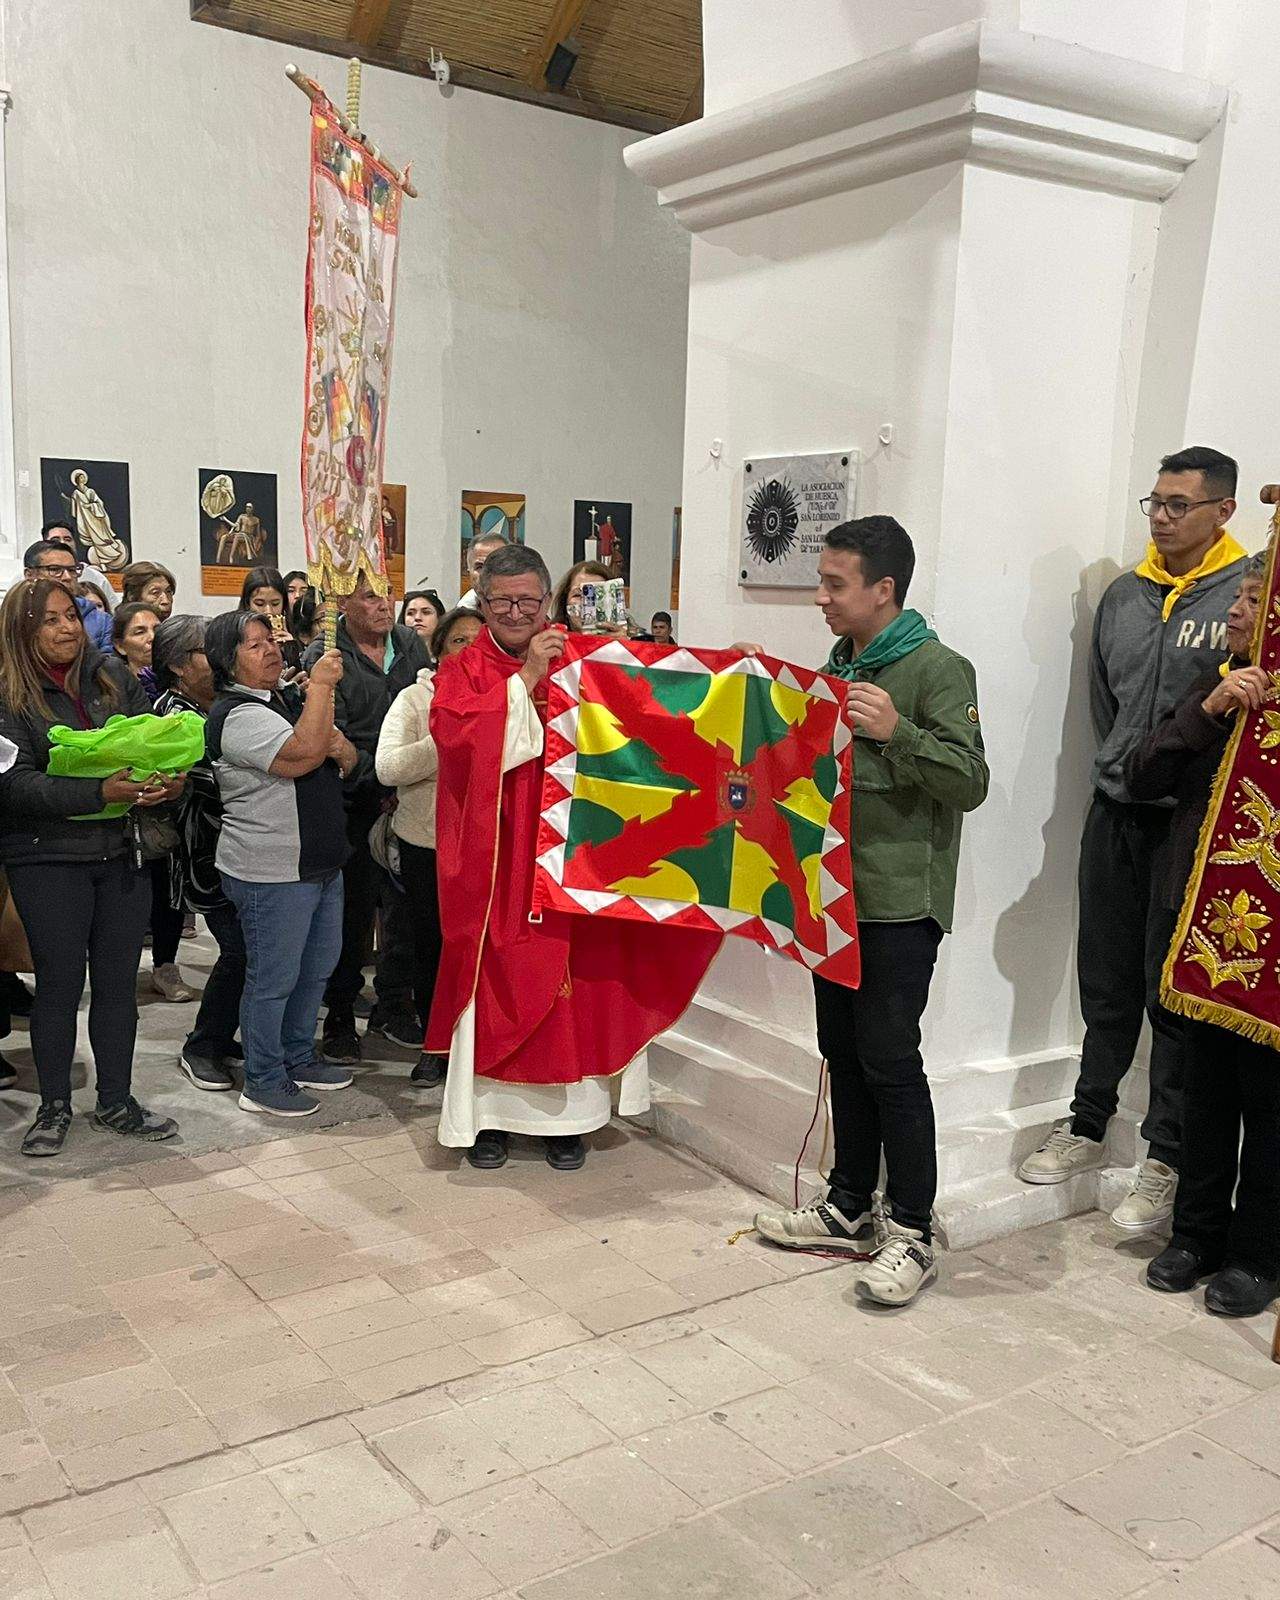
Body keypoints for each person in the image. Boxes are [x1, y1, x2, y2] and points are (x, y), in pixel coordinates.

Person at [753, 517, 989, 1306]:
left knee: (890, 1057)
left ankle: (913, 1228)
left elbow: (970, 782)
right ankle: (851, 1202)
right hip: (833, 895)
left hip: (897, 901)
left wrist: (900, 732)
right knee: (841, 1050)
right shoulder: (836, 667)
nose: (820, 597)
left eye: (834, 584)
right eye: (821, 581)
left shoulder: (937, 669)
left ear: (883, 590)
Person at [427, 543, 721, 1170]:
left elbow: (654, 711)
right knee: (499, 975)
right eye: (501, 601)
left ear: (546, 601)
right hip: (501, 857)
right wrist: (528, 679)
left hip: (574, 850)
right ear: (481, 602)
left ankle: (570, 1121)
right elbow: (457, 740)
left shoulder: (579, 652)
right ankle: (489, 1122)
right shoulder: (465, 666)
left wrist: (631, 659)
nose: (514, 613)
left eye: (527, 602)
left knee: (577, 979)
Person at [1019, 447, 1248, 1234]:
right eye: (1154, 501)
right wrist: (1121, 774)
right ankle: (1087, 1123)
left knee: (1173, 995)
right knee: (1106, 980)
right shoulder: (1123, 596)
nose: (1160, 516)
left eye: (1179, 504)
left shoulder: (1248, 598)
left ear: (1223, 510)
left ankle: (1166, 1155)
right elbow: (1104, 707)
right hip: (1115, 811)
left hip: (1193, 827)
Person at [1125, 559, 1280, 1316]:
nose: (1239, 610)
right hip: (1200, 933)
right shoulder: (1214, 685)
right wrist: (1212, 707)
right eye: (1244, 596)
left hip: (1272, 948)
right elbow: (1143, 774)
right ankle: (1195, 1234)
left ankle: (1258, 1254)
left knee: (1271, 1102)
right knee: (1201, 1089)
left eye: (1256, 599)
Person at [0, 578, 183, 1156]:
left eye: (71, 616)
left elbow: (147, 743)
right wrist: (99, 791)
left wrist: (162, 780)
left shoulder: (111, 676)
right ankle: (54, 1106)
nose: (66, 629)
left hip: (121, 853)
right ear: (21, 630)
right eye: (49, 620)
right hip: (46, 858)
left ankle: (116, 1100)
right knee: (58, 987)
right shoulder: (7, 694)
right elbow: (15, 785)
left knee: (116, 988)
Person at [204, 610, 357, 1117]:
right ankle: (263, 1078)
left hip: (319, 862)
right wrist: (319, 693)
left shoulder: (283, 699)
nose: (270, 649)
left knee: (315, 972)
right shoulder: (236, 714)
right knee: (273, 980)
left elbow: (347, 755)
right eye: (253, 645)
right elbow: (306, 753)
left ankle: (297, 1055)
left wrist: (326, 734)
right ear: (228, 662)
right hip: (271, 868)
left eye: (271, 638)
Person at [301, 578, 430, 1062]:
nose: (384, 605)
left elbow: (424, 712)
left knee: (408, 912)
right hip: (353, 800)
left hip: (410, 794)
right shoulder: (326, 650)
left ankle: (394, 1005)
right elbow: (332, 731)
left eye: (386, 592)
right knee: (352, 915)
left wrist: (401, 773)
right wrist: (371, 770)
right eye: (370, 596)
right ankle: (338, 1012)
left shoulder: (411, 643)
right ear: (341, 603)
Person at [376, 605, 482, 1088]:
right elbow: (389, 769)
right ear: (438, 649)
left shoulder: (507, 697)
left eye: (480, 642)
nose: (470, 650)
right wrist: (448, 739)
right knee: (432, 947)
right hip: (428, 844)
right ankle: (434, 1046)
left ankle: (475, 1046)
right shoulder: (415, 700)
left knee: (479, 950)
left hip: (485, 846)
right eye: (459, 640)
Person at [153, 616, 246, 1092]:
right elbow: (205, 781)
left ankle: (222, 1036)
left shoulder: (223, 701)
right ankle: (202, 1045)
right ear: (177, 666)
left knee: (248, 949)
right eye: (204, 649)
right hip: (204, 854)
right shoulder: (175, 714)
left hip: (238, 847)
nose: (217, 655)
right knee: (238, 950)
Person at [111, 601, 194, 1003]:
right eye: (138, 631)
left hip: (164, 801)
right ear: (119, 644)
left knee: (167, 889)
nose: (149, 638)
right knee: (128, 895)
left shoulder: (173, 689)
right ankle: (118, 974)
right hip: (120, 802)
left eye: (155, 629)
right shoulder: (106, 687)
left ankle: (166, 967)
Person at [22, 540, 111, 651]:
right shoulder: (14, 616)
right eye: (54, 569)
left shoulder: (101, 621)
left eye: (72, 570)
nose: (67, 577)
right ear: (29, 575)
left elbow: (107, 664)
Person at [239, 567, 302, 670]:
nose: (268, 611)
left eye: (275, 603)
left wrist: (290, 649)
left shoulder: (293, 632)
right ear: (247, 603)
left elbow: (299, 681)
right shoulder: (235, 634)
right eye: (259, 604)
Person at [44, 519, 113, 609]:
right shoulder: (35, 574)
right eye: (55, 539)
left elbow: (113, 611)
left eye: (67, 539)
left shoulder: (96, 578)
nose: (63, 543)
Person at [549, 560, 615, 633]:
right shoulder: (550, 640)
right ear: (565, 603)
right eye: (578, 595)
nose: (587, 604)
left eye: (597, 595)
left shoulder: (626, 640)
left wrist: (624, 643)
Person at [458, 532, 509, 609]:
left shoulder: (530, 612)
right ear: (469, 573)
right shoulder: (460, 618)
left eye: (498, 565)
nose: (487, 573)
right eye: (480, 567)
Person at [399, 590, 446, 655]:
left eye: (426, 612)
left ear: (440, 617)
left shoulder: (452, 655)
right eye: (410, 613)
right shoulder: (392, 655)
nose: (417, 618)